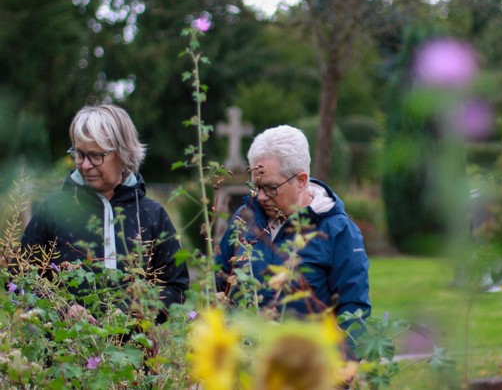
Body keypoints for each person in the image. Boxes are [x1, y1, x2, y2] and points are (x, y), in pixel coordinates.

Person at [20, 104, 189, 323]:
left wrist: (135, 311)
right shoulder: (54, 210)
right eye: (79, 154)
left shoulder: (150, 215)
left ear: (124, 153)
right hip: (64, 351)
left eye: (96, 156)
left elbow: (176, 289)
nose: (85, 165)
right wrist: (63, 310)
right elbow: (22, 278)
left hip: (136, 353)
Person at [215, 125, 371, 325]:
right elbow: (217, 284)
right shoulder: (245, 219)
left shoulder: (338, 232)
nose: (261, 197)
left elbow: (353, 313)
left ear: (301, 180)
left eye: (270, 188)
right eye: (256, 186)